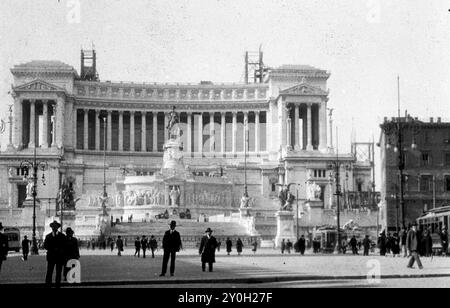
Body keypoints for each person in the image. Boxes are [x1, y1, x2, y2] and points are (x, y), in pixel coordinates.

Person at [44, 220, 66, 287]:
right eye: (53, 227)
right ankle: (48, 284)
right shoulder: (48, 236)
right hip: (51, 256)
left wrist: (59, 250)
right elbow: (45, 246)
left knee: (58, 272)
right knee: (49, 272)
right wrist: (53, 249)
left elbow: (64, 245)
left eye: (55, 227)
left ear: (57, 227)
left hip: (59, 256)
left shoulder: (62, 236)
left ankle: (57, 285)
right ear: (51, 228)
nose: (54, 228)